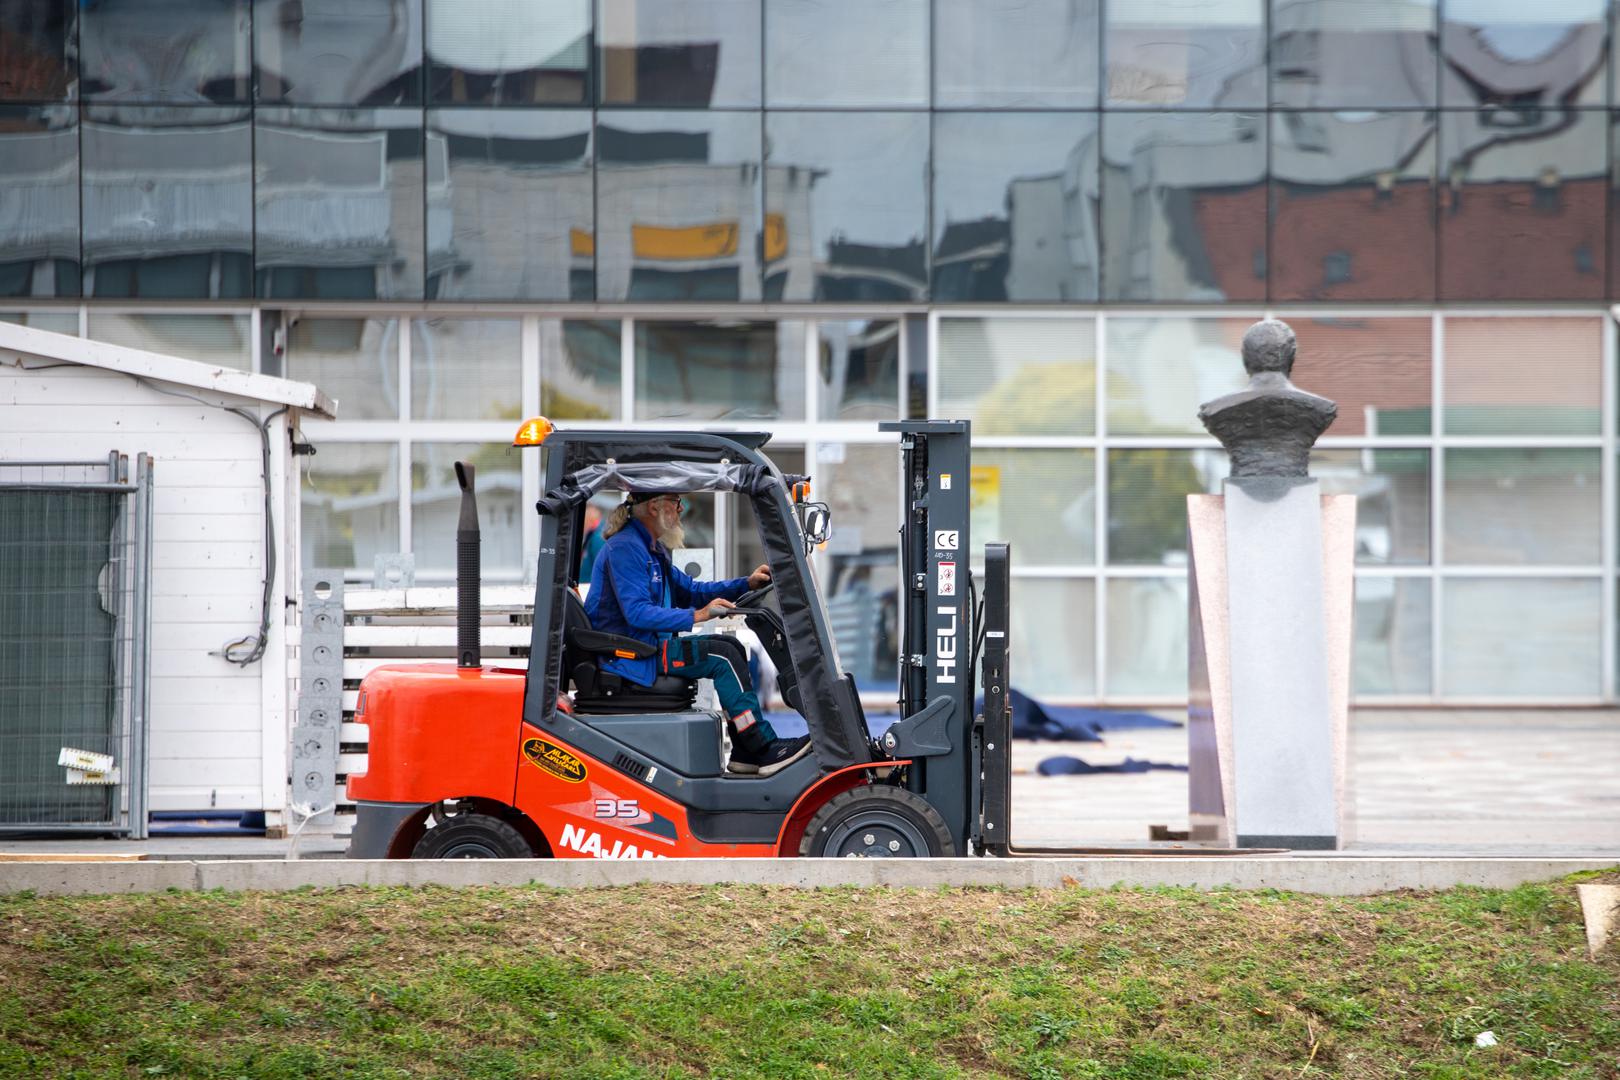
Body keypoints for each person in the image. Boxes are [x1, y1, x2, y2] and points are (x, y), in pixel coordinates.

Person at [585, 491, 812, 776]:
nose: (680, 510)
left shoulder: (651, 550)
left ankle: (745, 751)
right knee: (723, 655)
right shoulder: (626, 549)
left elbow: (692, 591)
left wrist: (747, 584)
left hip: (647, 648)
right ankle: (760, 745)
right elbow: (637, 613)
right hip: (632, 656)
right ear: (655, 507)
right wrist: (699, 615)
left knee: (730, 646)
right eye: (676, 502)